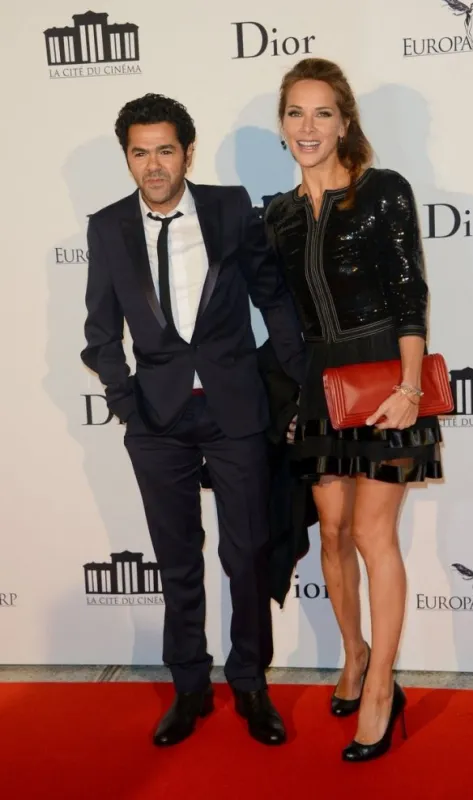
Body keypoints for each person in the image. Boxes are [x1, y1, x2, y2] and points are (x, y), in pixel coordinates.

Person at [81, 93, 305, 747]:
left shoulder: (232, 209)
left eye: (165, 150)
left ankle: (250, 685)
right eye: (140, 152)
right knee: (176, 559)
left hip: (234, 410)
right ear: (127, 156)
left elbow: (274, 299)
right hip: (157, 419)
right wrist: (127, 406)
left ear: (187, 151)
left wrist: (298, 385)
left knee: (248, 552)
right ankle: (188, 689)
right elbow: (99, 333)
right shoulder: (106, 227)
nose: (153, 165)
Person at [265, 58, 443, 762]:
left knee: (373, 535)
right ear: (281, 125)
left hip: (381, 379)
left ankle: (380, 686)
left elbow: (409, 293)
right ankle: (352, 651)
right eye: (295, 113)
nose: (308, 127)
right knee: (331, 534)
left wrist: (407, 388)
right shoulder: (275, 214)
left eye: (322, 113)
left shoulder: (381, 192)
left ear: (345, 122)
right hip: (317, 380)